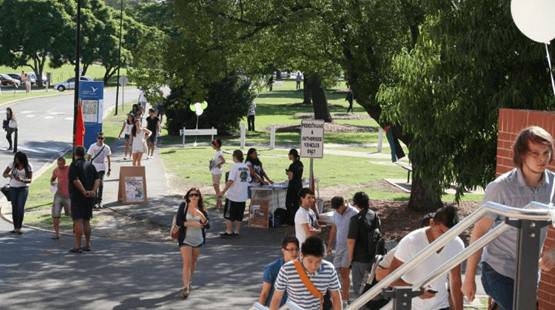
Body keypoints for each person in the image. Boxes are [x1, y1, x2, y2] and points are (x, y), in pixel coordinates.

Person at [462, 126, 555, 310]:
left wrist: (553, 252)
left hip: (529, 271)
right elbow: (479, 233)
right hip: (498, 269)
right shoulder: (501, 187)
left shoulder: (553, 185)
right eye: (535, 153)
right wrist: (469, 278)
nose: (542, 159)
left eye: (546, 152)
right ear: (521, 154)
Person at [387, 206, 464, 310]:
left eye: (451, 234)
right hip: (410, 305)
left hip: (440, 306)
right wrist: (416, 290)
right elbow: (391, 279)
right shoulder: (411, 241)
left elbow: (455, 281)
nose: (446, 239)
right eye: (442, 232)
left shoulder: (457, 244)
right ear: (432, 223)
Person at [270, 236, 343, 310]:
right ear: (301, 255)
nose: (313, 266)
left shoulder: (329, 269)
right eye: (310, 261)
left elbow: (336, 296)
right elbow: (277, 298)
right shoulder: (287, 269)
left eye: (318, 261)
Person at [176, 187, 209, 299]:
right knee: (187, 262)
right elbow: (179, 221)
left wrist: (201, 215)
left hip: (198, 239)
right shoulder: (183, 206)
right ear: (188, 196)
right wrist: (191, 223)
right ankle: (185, 287)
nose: (193, 197)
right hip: (185, 239)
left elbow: (207, 225)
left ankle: (189, 281)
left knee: (193, 262)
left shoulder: (202, 208)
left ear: (199, 197)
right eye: (191, 195)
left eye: (196, 195)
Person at [347, 191, 382, 297]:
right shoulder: (374, 215)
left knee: (359, 289)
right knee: (370, 288)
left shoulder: (355, 219)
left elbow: (351, 241)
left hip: (359, 259)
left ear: (356, 204)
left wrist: (350, 258)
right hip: (373, 258)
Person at [68, 146, 100, 253]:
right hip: (89, 198)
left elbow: (75, 180)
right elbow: (97, 179)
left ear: (76, 154)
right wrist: (93, 191)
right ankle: (87, 244)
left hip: (78, 197)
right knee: (86, 220)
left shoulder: (74, 165)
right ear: (85, 154)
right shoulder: (90, 165)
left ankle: (77, 245)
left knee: (78, 220)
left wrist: (83, 191)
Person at [327, 196, 358, 304]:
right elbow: (334, 229)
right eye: (334, 209)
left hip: (349, 248)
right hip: (339, 247)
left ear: (343, 204)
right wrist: (330, 244)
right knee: (335, 272)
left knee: (345, 272)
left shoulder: (354, 213)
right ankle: (335, 298)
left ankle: (344, 299)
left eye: (338, 208)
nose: (336, 211)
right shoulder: (335, 213)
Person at [258, 236, 300, 307]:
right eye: (291, 249)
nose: (295, 253)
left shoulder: (302, 268)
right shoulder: (272, 268)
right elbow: (264, 294)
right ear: (283, 250)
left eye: (296, 249)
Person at [219, 150, 250, 237]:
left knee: (228, 214)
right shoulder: (246, 167)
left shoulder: (234, 167)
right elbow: (248, 180)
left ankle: (229, 231)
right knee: (239, 214)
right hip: (243, 195)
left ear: (234, 157)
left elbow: (230, 180)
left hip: (233, 195)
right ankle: (236, 231)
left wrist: (223, 191)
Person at [3, 151, 32, 234]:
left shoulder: (28, 166)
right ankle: (15, 227)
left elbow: (30, 180)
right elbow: (4, 174)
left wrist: (22, 180)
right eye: (15, 159)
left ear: (22, 159)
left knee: (20, 207)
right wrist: (9, 175)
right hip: (13, 188)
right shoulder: (12, 164)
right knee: (14, 207)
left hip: (23, 188)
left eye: (18, 159)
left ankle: (19, 227)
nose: (16, 161)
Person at [86, 132, 111, 209]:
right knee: (94, 185)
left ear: (104, 139)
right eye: (99, 138)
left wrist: (109, 169)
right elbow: (88, 157)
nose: (100, 140)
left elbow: (109, 159)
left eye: (102, 138)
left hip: (102, 168)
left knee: (100, 184)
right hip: (93, 168)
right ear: (97, 138)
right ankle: (94, 202)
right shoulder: (92, 146)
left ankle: (99, 201)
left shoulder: (106, 147)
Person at [50, 157, 70, 239]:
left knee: (74, 214)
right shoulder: (56, 170)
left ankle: (76, 230)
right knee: (55, 214)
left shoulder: (69, 169)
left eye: (61, 164)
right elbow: (52, 178)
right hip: (58, 195)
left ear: (64, 163)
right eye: (58, 164)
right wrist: (52, 182)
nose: (60, 166)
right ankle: (56, 233)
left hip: (69, 196)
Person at [286, 148, 303, 225]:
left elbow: (290, 177)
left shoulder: (292, 165)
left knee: (289, 203)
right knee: (297, 203)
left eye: (289, 154)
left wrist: (288, 173)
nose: (288, 156)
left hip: (292, 186)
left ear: (292, 155)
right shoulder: (300, 164)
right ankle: (297, 219)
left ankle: (291, 220)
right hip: (299, 185)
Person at [210, 139, 225, 210]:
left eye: (213, 144)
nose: (212, 145)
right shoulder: (217, 152)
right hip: (214, 171)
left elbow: (223, 161)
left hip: (217, 172)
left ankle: (218, 204)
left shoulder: (219, 153)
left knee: (217, 188)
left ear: (217, 145)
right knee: (216, 188)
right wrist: (212, 163)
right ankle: (219, 204)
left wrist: (217, 164)